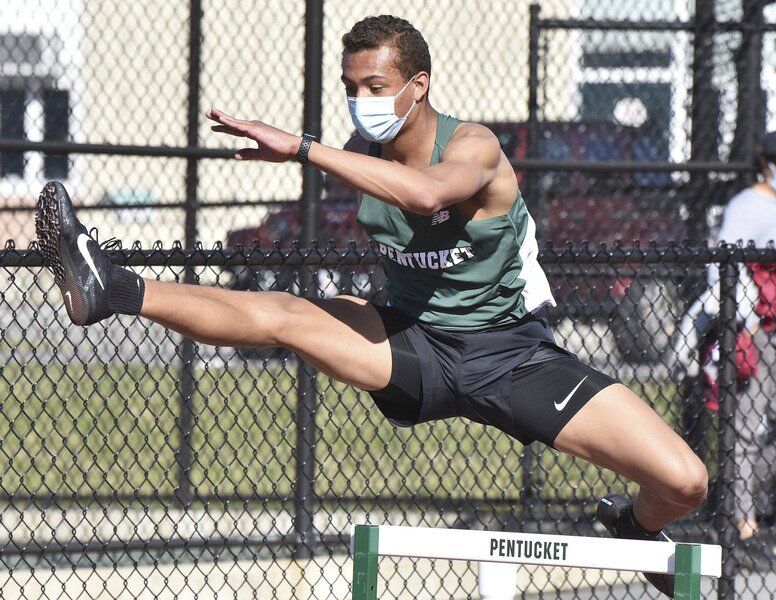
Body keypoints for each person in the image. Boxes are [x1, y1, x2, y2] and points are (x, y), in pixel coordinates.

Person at [35, 15, 707, 597]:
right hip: (416, 345)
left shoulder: (474, 145)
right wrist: (315, 174)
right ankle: (111, 289)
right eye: (351, 88)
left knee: (686, 480)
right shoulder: (361, 151)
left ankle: (632, 524)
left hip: (513, 359)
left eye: (375, 88)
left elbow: (426, 196)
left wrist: (301, 148)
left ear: (419, 87)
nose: (361, 102)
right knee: (287, 316)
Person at [676, 132, 776, 559]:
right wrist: (746, 325)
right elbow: (725, 272)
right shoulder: (747, 206)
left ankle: (749, 501)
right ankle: (743, 526)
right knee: (745, 429)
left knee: (762, 438)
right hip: (758, 331)